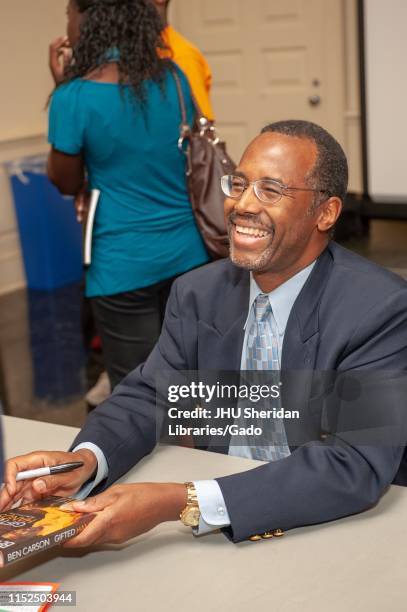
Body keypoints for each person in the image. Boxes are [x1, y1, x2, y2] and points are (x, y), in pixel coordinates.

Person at [2, 121, 407, 546]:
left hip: (337, 527)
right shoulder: (198, 291)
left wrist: (179, 500)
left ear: (326, 213)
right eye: (239, 183)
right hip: (221, 514)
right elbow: (152, 395)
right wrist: (84, 461)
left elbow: (354, 464)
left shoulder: (380, 308)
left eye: (271, 190)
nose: (242, 205)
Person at [46, 0, 210, 389]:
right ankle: (203, 451)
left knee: (140, 393)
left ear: (89, 19)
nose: (67, 22)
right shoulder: (173, 78)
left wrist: (62, 89)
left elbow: (65, 181)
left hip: (122, 264)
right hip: (190, 254)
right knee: (195, 383)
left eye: (69, 13)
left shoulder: (75, 96)